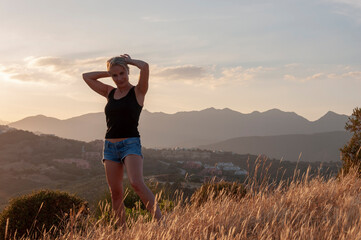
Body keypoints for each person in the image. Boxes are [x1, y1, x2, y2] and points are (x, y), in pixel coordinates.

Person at [82, 54, 162, 226]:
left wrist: (129, 61)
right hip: (110, 146)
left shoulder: (139, 91)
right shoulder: (109, 92)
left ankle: (162, 224)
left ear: (128, 72)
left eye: (122, 73)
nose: (119, 78)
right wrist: (109, 71)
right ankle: (122, 231)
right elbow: (86, 76)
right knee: (115, 193)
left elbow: (145, 66)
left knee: (137, 183)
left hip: (130, 144)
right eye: (115, 75)